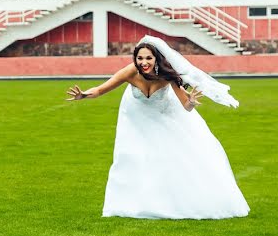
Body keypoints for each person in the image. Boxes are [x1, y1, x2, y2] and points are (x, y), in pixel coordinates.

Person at [66, 35, 249, 220]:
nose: (143, 62)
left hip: (164, 116)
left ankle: (171, 201)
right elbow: (100, 89)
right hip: (136, 117)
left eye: (148, 58)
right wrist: (84, 95)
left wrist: (192, 102)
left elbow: (186, 106)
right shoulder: (129, 72)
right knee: (131, 157)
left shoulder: (166, 75)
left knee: (172, 157)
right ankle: (130, 204)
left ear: (156, 59)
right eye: (139, 58)